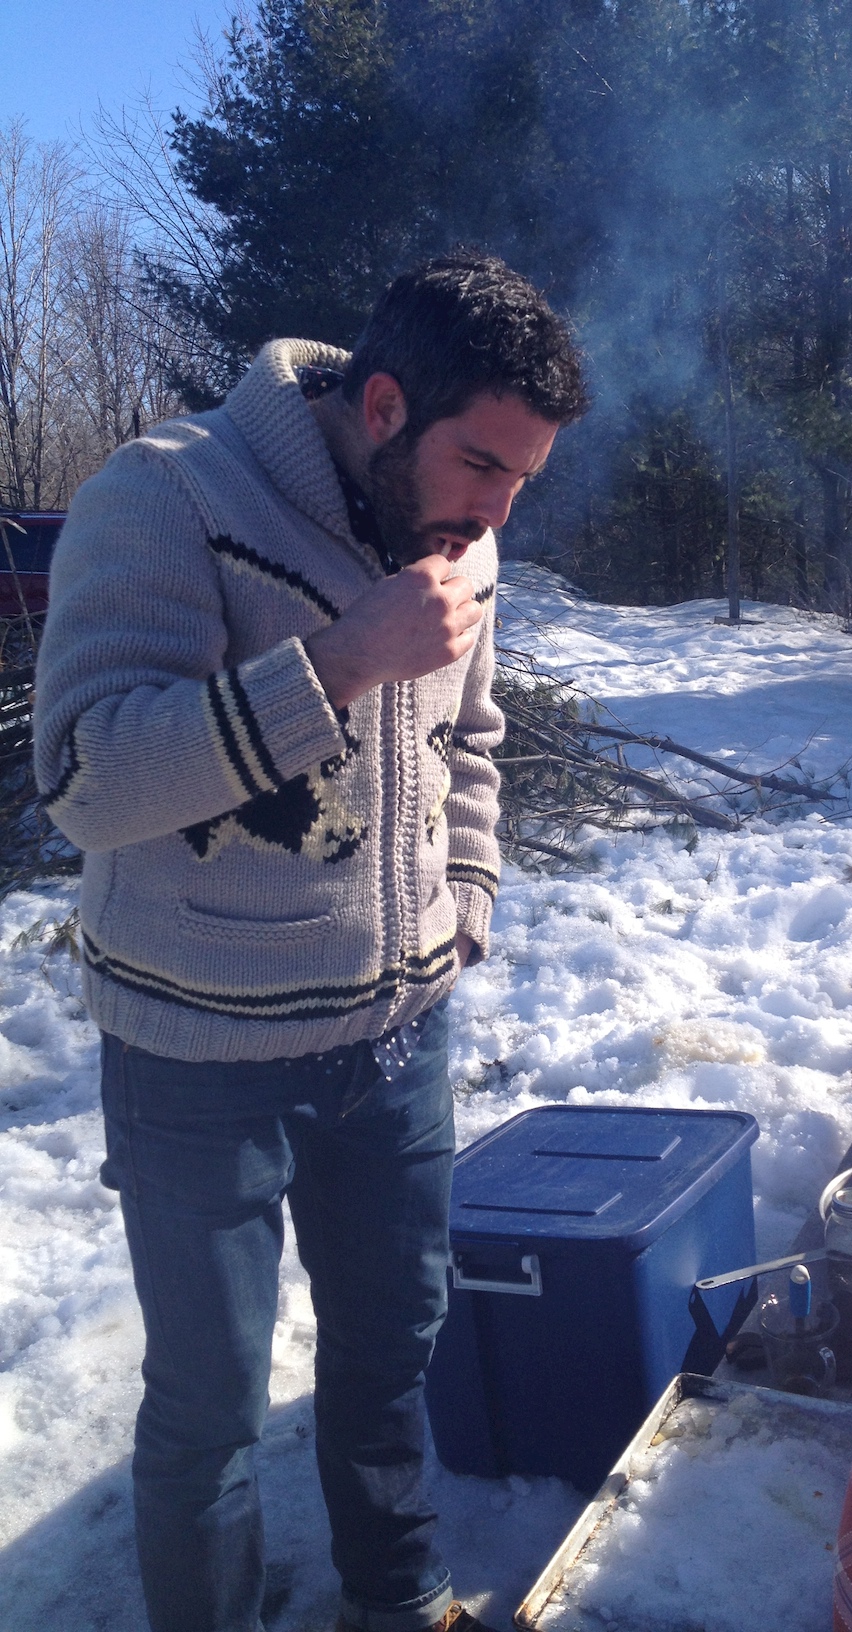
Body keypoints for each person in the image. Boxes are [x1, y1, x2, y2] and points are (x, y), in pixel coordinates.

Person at [33, 253, 589, 1632]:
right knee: (209, 1410)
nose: (500, 511)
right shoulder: (164, 497)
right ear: (386, 404)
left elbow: (470, 742)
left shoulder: (467, 531)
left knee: (389, 1359)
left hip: (396, 1037)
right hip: (196, 1048)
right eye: (483, 467)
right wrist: (338, 663)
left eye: (526, 480)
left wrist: (467, 903)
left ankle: (395, 1600)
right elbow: (87, 780)